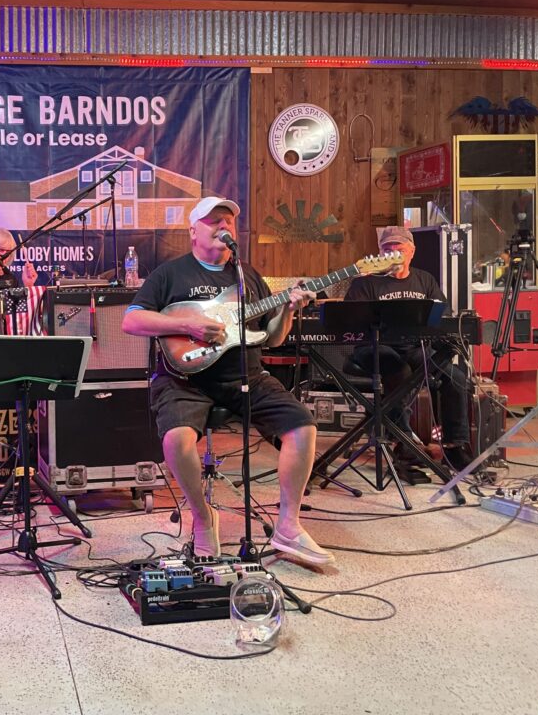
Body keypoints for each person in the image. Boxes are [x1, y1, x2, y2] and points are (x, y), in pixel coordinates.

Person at [122, 196, 333, 566]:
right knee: (176, 440)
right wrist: (186, 324)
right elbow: (131, 321)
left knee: (303, 426)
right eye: (214, 220)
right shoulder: (171, 274)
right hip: (184, 380)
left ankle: (288, 525)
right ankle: (203, 518)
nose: (223, 226)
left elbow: (273, 338)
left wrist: (287, 309)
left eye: (229, 221)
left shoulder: (246, 276)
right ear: (193, 231)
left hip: (246, 375)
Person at [344, 225, 473, 478]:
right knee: (399, 371)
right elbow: (350, 322)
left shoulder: (425, 280)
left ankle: (455, 447)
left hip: (415, 347)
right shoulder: (365, 283)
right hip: (374, 347)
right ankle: (404, 442)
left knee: (456, 377)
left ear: (412, 252)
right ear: (379, 253)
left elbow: (442, 316)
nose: (393, 253)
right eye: (387, 249)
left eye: (399, 248)